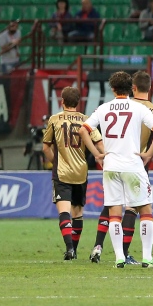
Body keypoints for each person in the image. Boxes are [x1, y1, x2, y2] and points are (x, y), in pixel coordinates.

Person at [80, 72, 153, 268]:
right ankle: (147, 257)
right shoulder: (138, 108)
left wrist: (96, 153)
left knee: (114, 213)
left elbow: (83, 129)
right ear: (131, 88)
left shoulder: (103, 108)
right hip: (132, 166)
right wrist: (149, 154)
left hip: (110, 166)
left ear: (113, 89)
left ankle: (119, 257)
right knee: (145, 210)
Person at [42, 86, 104, 260]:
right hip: (81, 172)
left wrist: (55, 161)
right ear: (78, 102)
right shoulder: (87, 120)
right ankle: (75, 250)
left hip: (62, 171)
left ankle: (69, 249)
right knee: (77, 212)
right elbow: (100, 144)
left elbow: (46, 147)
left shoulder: (55, 120)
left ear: (62, 101)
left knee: (64, 211)